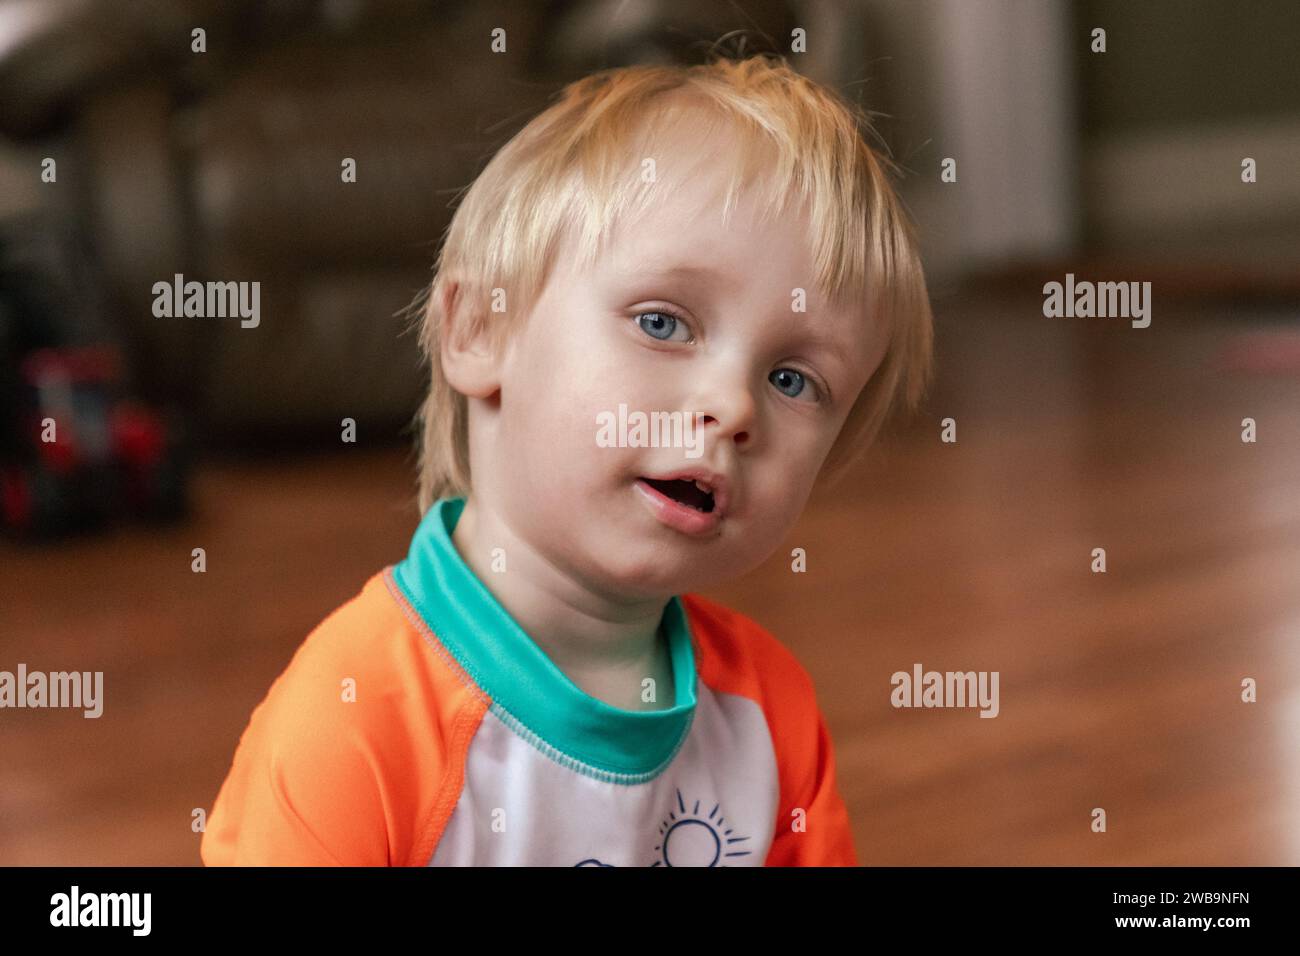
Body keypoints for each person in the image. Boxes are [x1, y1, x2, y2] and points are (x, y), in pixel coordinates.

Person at [201, 52, 934, 867]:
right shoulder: (351, 722)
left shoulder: (768, 712)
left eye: (793, 379)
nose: (733, 408)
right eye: (664, 323)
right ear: (481, 331)